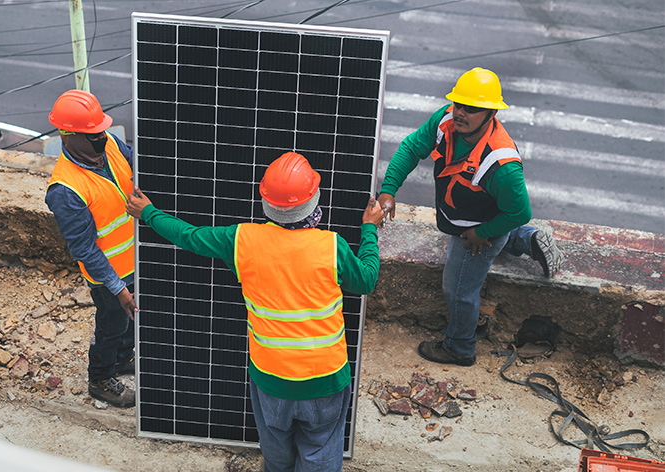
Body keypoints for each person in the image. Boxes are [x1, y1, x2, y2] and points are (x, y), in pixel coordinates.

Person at [126, 152, 382, 472]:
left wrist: (148, 213)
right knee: (320, 452)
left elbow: (187, 236)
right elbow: (367, 279)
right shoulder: (332, 247)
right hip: (325, 381)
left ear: (267, 203)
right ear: (313, 200)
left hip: (271, 380)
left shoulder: (242, 240)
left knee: (276, 450)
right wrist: (369, 229)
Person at [377, 67, 564, 367]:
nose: (461, 113)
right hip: (465, 215)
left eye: (472, 109)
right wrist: (388, 190)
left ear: (491, 112)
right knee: (491, 244)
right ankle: (527, 240)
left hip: (478, 229)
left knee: (459, 288)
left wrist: (484, 233)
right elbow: (411, 148)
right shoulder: (446, 120)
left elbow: (519, 211)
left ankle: (459, 347)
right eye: (459, 104)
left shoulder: (501, 163)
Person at [45, 89, 136, 408]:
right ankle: (99, 379)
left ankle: (124, 359)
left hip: (133, 260)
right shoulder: (66, 190)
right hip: (107, 275)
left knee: (128, 322)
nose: (102, 137)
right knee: (111, 325)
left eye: (101, 130)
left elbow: (130, 161)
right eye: (93, 134)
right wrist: (117, 287)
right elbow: (84, 249)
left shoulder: (108, 143)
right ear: (68, 136)